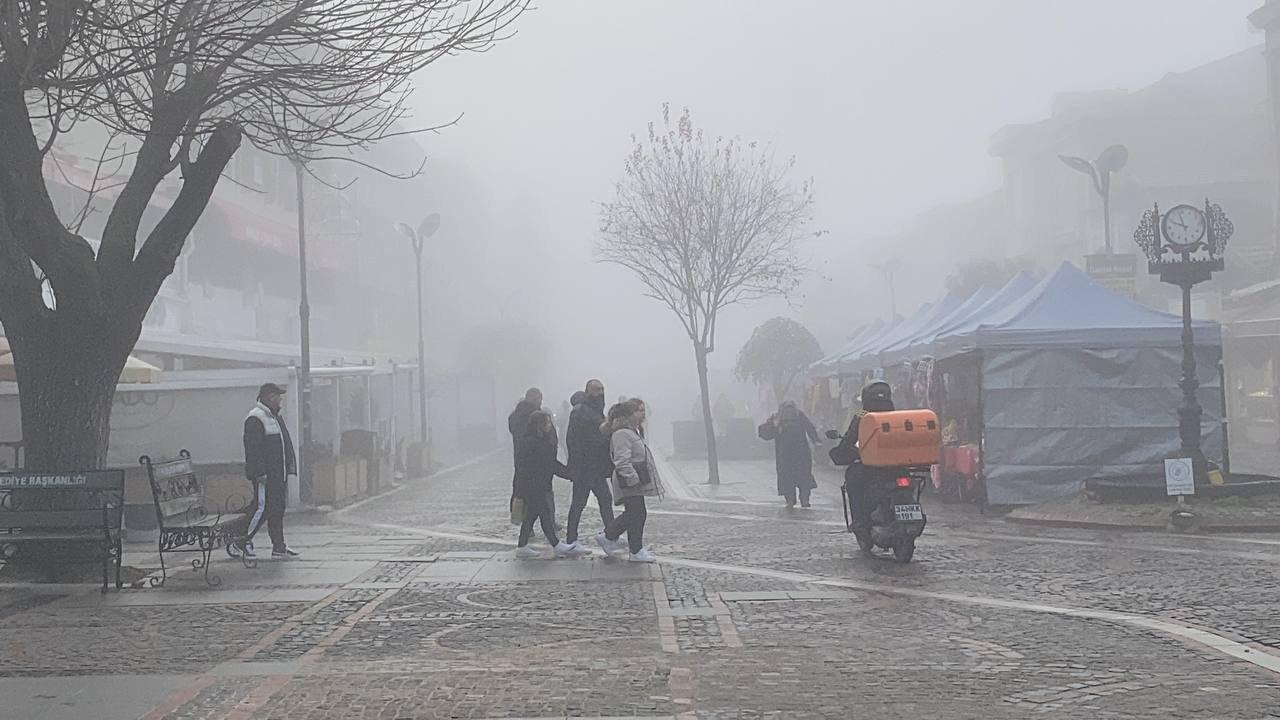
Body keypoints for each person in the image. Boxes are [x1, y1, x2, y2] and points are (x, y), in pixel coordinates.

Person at [238, 383, 299, 559]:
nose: (280, 400)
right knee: (261, 507)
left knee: (277, 509)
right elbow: (253, 448)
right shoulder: (255, 418)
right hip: (265, 475)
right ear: (269, 397)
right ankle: (242, 540)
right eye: (278, 396)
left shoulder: (274, 417)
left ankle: (279, 546)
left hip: (277, 473)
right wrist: (259, 472)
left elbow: (283, 443)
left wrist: (288, 467)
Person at [596, 400, 661, 563]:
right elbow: (621, 460)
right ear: (628, 415)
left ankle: (621, 542)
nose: (642, 413)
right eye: (638, 411)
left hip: (634, 480)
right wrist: (633, 479)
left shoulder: (633, 431)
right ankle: (621, 542)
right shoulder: (622, 434)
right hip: (628, 481)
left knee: (635, 514)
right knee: (636, 513)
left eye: (643, 410)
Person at [514, 411, 582, 559]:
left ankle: (523, 545)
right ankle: (555, 545)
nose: (550, 426)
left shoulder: (533, 440)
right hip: (534, 484)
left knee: (532, 515)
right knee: (543, 514)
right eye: (547, 423)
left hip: (535, 483)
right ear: (540, 425)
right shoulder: (535, 442)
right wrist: (570, 474)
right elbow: (550, 465)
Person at [835, 381, 895, 529]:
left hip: (870, 465)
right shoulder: (895, 413)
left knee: (853, 481)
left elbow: (850, 436)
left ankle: (860, 521)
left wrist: (843, 448)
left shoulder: (861, 415)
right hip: (895, 464)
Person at [564, 380, 614, 550]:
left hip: (595, 466)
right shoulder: (581, 411)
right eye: (596, 389)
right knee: (580, 503)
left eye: (602, 389)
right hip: (585, 466)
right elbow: (573, 440)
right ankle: (572, 540)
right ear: (587, 391)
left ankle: (610, 535)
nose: (599, 392)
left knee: (603, 500)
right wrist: (576, 465)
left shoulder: (595, 410)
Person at [758, 401, 819, 508]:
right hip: (802, 453)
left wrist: (773, 424)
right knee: (804, 478)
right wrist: (817, 441)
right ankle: (804, 499)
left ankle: (790, 500)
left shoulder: (778, 418)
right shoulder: (799, 415)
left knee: (787, 477)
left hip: (784, 455)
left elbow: (764, 434)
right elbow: (810, 429)